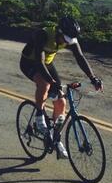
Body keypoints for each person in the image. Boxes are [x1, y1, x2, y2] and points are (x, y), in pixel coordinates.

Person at [19, 15, 103, 158]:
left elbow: (80, 58)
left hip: (47, 63)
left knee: (61, 101)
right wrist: (51, 81)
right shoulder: (43, 34)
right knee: (45, 84)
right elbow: (39, 62)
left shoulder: (70, 38)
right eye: (64, 39)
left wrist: (93, 78)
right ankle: (39, 116)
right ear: (58, 31)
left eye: (69, 41)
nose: (66, 42)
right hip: (30, 62)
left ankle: (55, 139)